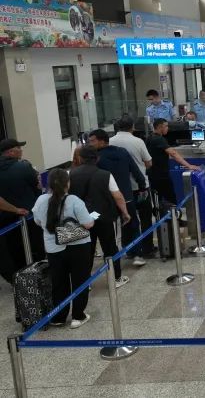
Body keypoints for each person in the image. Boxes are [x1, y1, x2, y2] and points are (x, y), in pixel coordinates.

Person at [31, 168, 95, 328]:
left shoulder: (41, 200)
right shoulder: (74, 200)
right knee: (80, 281)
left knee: (59, 283)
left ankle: (59, 317)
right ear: (68, 183)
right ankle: (77, 316)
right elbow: (88, 223)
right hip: (78, 246)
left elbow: (37, 221)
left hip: (53, 248)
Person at [70, 146, 131, 288]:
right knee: (110, 248)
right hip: (104, 218)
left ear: (80, 158)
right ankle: (115, 278)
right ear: (97, 159)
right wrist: (125, 213)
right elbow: (117, 195)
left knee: (85, 250)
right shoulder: (105, 174)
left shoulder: (70, 174)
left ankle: (85, 283)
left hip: (82, 219)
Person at [89, 129, 148, 266]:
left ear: (102, 141)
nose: (90, 144)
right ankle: (136, 253)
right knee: (132, 224)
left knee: (108, 229)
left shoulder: (96, 158)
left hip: (106, 199)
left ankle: (112, 258)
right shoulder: (122, 152)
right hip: (126, 196)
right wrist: (142, 186)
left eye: (92, 141)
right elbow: (136, 171)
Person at [111, 115, 156, 262]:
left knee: (126, 218)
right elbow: (148, 163)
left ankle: (129, 249)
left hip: (119, 189)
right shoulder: (137, 141)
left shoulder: (110, 141)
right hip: (140, 186)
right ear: (132, 127)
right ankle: (147, 247)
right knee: (145, 217)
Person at [0, 138, 45, 283]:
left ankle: (19, 279)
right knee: (35, 246)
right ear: (10, 152)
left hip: (5, 219)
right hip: (28, 215)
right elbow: (38, 186)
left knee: (13, 249)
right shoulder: (23, 167)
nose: (21, 150)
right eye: (18, 148)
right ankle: (38, 276)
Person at [146, 119, 201, 207]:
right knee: (171, 199)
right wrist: (189, 165)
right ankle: (174, 214)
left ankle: (163, 213)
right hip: (161, 175)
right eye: (166, 126)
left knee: (158, 199)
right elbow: (173, 153)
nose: (168, 128)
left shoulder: (149, 138)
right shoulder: (159, 139)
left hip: (152, 174)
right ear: (160, 127)